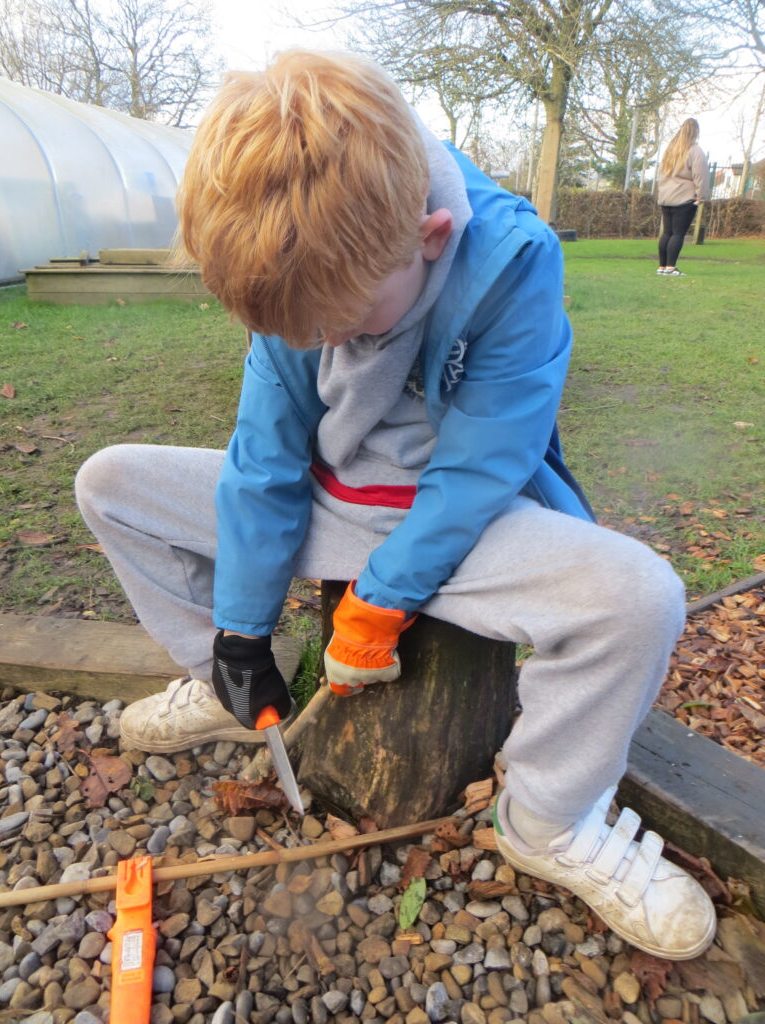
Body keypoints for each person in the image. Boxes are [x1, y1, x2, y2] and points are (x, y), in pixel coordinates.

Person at [75, 51, 716, 960]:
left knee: (642, 598)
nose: (323, 346)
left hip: (467, 526)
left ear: (429, 235)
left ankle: (549, 818)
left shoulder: (513, 261)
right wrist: (241, 631)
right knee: (109, 484)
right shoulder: (306, 252)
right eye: (298, 332)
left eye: (343, 325)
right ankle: (225, 687)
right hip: (326, 504)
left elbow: (481, 469)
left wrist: (379, 602)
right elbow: (263, 462)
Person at [656, 118, 710, 276]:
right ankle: (671, 267)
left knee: (667, 232)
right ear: (695, 132)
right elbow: (701, 175)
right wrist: (701, 196)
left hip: (666, 197)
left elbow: (661, 174)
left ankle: (662, 266)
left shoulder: (670, 151)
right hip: (684, 197)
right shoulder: (694, 151)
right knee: (678, 233)